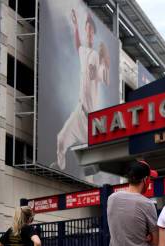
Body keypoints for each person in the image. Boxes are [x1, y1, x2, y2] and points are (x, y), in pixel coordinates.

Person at [55, 9, 110, 170]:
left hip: (91, 122)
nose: (89, 32)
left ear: (93, 32)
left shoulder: (96, 56)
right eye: (87, 28)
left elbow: (105, 79)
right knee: (60, 139)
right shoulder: (84, 52)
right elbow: (78, 45)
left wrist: (105, 60)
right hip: (80, 111)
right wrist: (75, 27)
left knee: (92, 162)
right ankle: (59, 165)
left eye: (91, 29)